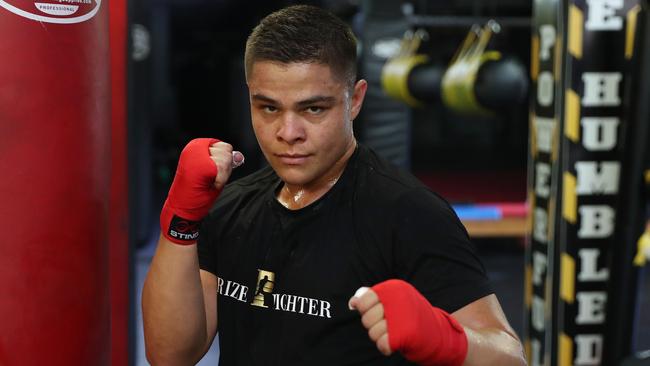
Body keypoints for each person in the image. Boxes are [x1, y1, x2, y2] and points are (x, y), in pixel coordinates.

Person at [142, 5, 526, 366]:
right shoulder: (232, 207)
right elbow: (170, 355)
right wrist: (180, 222)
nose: (288, 133)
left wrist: (448, 338)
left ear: (354, 100)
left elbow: (510, 355)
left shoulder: (410, 214)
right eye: (269, 108)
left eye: (313, 109)